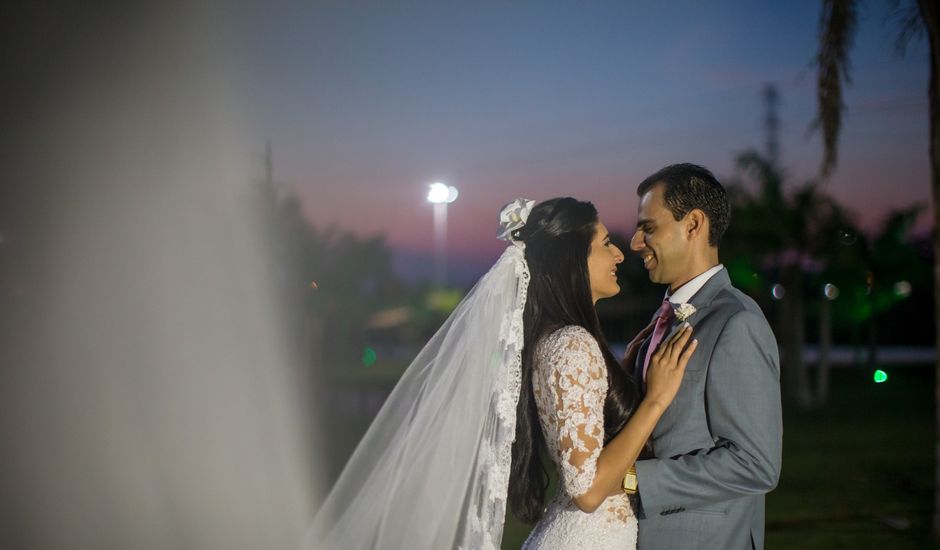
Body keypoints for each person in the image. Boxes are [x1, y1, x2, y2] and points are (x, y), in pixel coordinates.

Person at [302, 197, 696, 549]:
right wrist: (657, 399)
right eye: (605, 244)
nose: (620, 255)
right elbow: (587, 490)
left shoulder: (559, 338)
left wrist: (623, 376)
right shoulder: (572, 343)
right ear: (572, 259)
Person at [627, 164, 783, 550]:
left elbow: (756, 464)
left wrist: (633, 480)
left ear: (694, 224)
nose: (634, 242)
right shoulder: (662, 320)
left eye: (648, 228)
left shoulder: (737, 322)